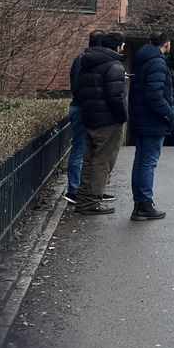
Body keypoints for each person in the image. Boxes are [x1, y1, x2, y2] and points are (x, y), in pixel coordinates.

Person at [74, 31, 127, 215]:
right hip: (108, 121)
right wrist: (122, 117)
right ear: (118, 46)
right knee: (102, 161)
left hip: (90, 118)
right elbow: (116, 97)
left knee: (89, 160)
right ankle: (92, 201)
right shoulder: (115, 65)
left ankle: (82, 199)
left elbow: (79, 91)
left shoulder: (86, 62)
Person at [128, 31, 174, 221]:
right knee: (148, 162)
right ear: (167, 44)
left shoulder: (143, 60)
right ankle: (145, 204)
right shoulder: (157, 62)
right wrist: (169, 113)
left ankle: (140, 203)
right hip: (153, 121)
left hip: (141, 118)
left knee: (140, 161)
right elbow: (155, 94)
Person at [65, 29, 105, 204]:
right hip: (85, 108)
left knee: (79, 148)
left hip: (77, 106)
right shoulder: (91, 61)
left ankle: (76, 188)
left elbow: (74, 84)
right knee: (83, 150)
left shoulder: (79, 59)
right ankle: (75, 189)